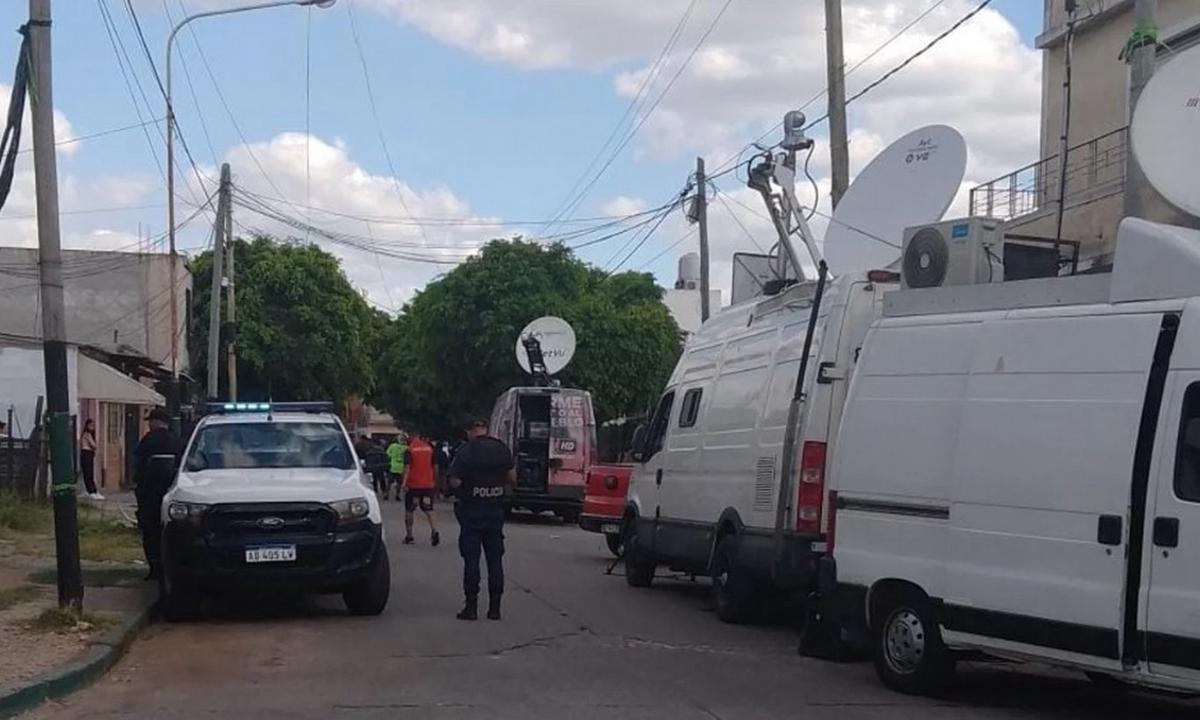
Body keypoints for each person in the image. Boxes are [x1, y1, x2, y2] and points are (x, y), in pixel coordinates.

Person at [448, 419, 515, 621]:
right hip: (494, 512)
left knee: (471, 560)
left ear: (470, 430)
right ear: (486, 429)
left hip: (471, 512)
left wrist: (463, 488)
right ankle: (495, 608)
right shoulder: (501, 449)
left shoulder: (466, 451)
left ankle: (471, 607)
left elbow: (455, 481)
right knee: (495, 560)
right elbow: (513, 478)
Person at [133, 408, 180, 580]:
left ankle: (154, 568)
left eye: (150, 421)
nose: (149, 424)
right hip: (171, 496)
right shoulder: (177, 441)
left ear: (156, 421)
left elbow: (138, 465)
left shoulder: (147, 441)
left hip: (148, 495)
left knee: (150, 533)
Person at [401, 433, 440, 546]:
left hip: (413, 484)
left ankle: (409, 536)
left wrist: (403, 483)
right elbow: (435, 466)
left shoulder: (410, 450)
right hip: (427, 484)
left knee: (410, 509)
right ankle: (434, 530)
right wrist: (434, 481)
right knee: (429, 509)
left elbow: (407, 467)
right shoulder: (429, 448)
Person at [79, 418, 103, 500]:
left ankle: (92, 491)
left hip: (88, 454)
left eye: (93, 425)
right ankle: (92, 491)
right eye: (91, 425)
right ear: (87, 426)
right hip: (87, 454)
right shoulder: (87, 434)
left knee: (88, 473)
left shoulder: (87, 434)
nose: (93, 427)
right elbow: (93, 445)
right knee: (88, 473)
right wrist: (95, 445)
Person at [385, 433, 408, 501]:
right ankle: (397, 495)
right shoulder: (406, 448)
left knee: (389, 482)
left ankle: (387, 494)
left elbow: (388, 454)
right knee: (399, 483)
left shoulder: (392, 446)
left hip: (393, 466)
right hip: (401, 468)